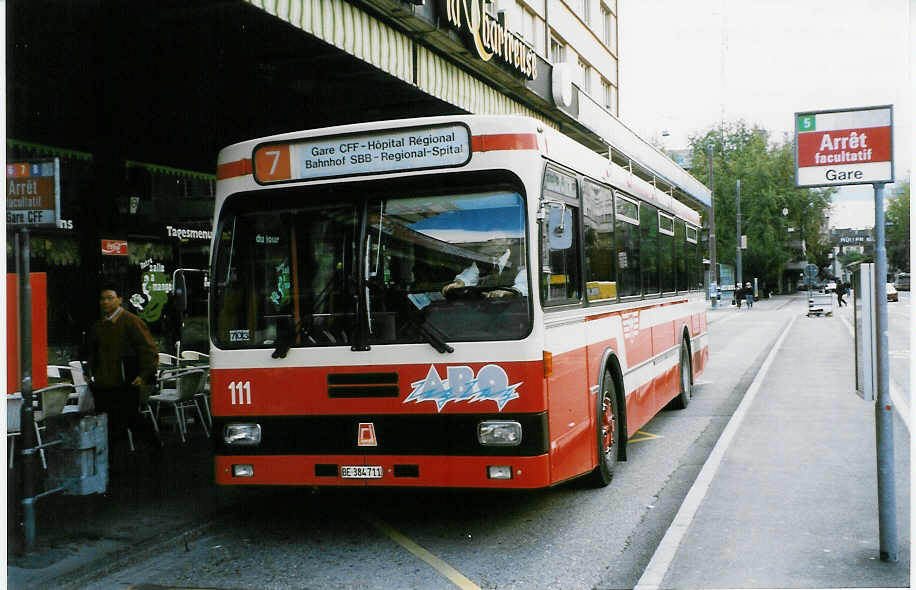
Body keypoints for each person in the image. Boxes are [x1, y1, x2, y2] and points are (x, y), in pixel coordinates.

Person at [87, 282, 161, 457]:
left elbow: (149, 350)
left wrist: (144, 375)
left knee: (132, 419)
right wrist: (91, 373)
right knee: (108, 423)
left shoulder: (132, 321)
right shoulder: (98, 326)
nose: (105, 302)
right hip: (104, 382)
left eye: (110, 298)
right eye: (102, 299)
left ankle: (156, 449)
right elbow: (92, 352)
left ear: (119, 300)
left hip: (126, 380)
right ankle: (110, 461)